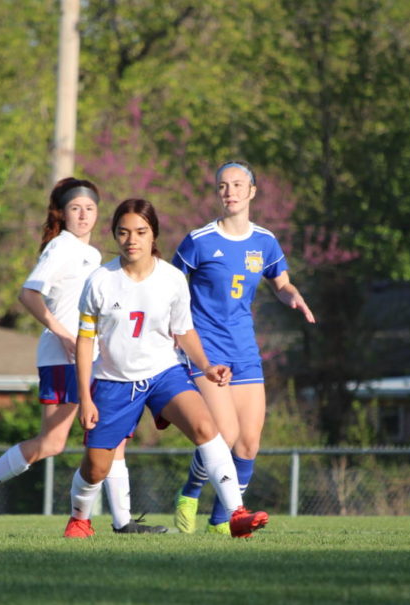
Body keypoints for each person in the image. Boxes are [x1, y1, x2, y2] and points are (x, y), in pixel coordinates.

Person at [0, 179, 164, 534]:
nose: (83, 215)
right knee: (55, 442)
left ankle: (121, 521)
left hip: (93, 359)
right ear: (62, 214)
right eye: (75, 208)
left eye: (90, 209)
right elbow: (28, 294)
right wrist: (66, 334)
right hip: (63, 357)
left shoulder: (93, 255)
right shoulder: (61, 248)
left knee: (111, 438)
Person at [65, 198, 269, 539]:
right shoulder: (100, 281)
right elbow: (85, 342)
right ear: (115, 236)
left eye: (141, 232)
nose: (132, 239)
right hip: (114, 382)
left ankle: (236, 514)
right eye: (123, 232)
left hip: (163, 373)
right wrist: (85, 399)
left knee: (206, 426)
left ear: (153, 234)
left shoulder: (173, 279)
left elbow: (184, 331)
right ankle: (79, 518)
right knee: (97, 467)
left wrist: (205, 366)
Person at [173, 161, 315, 534]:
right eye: (223, 185)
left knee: (248, 444)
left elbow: (280, 283)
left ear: (252, 191)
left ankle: (222, 522)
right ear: (217, 192)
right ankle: (190, 492)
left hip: (245, 352)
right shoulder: (199, 241)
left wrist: (292, 295)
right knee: (225, 434)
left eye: (238, 185)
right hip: (205, 351)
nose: (230, 192)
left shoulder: (264, 241)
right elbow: (168, 287)